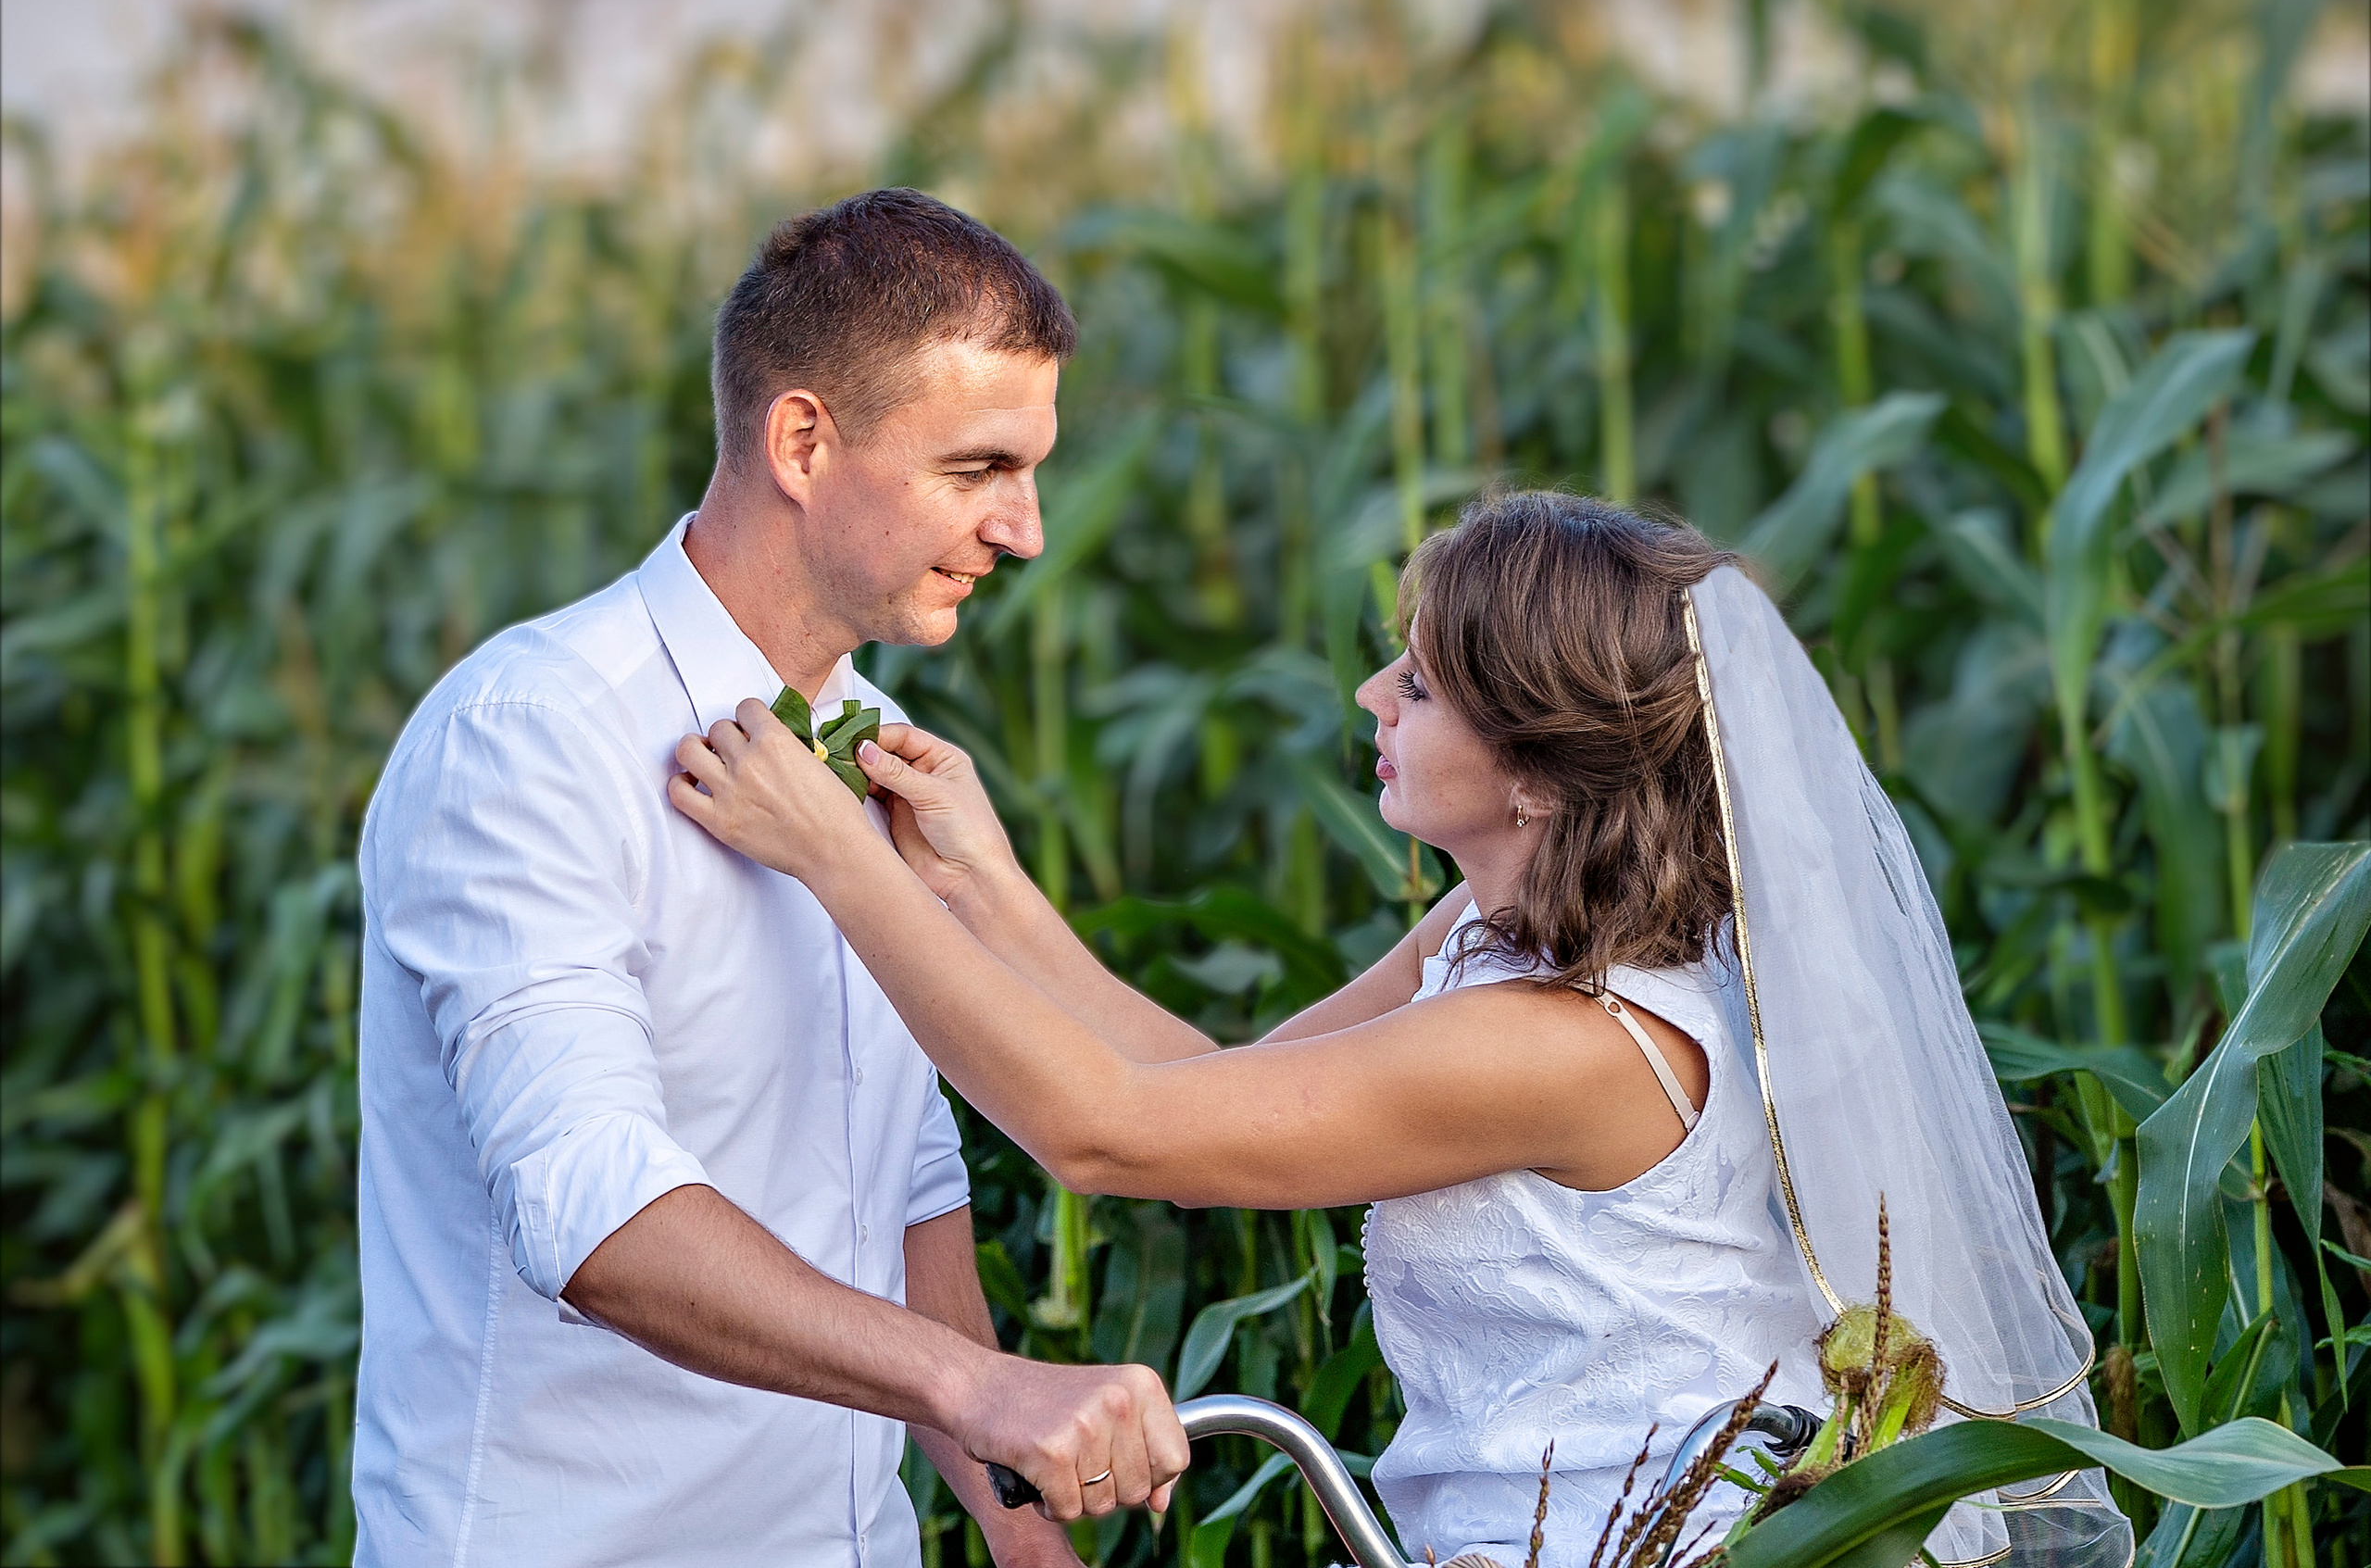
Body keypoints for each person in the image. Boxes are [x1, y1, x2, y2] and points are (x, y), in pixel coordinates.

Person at [670, 494, 2136, 1568]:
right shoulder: (1498, 937)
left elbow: (1113, 1137)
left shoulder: (1568, 1046)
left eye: (1423, 685)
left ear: (1542, 778)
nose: (1373, 696)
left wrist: (842, 867)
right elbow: (1212, 1087)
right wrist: (977, 877)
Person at [353, 189, 1186, 1568]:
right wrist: (983, 1388)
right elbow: (597, 1212)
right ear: (804, 440)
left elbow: (901, 1180)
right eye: (978, 470)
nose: (1026, 531)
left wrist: (1004, 1514)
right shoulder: (532, 737)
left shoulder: (878, 758)